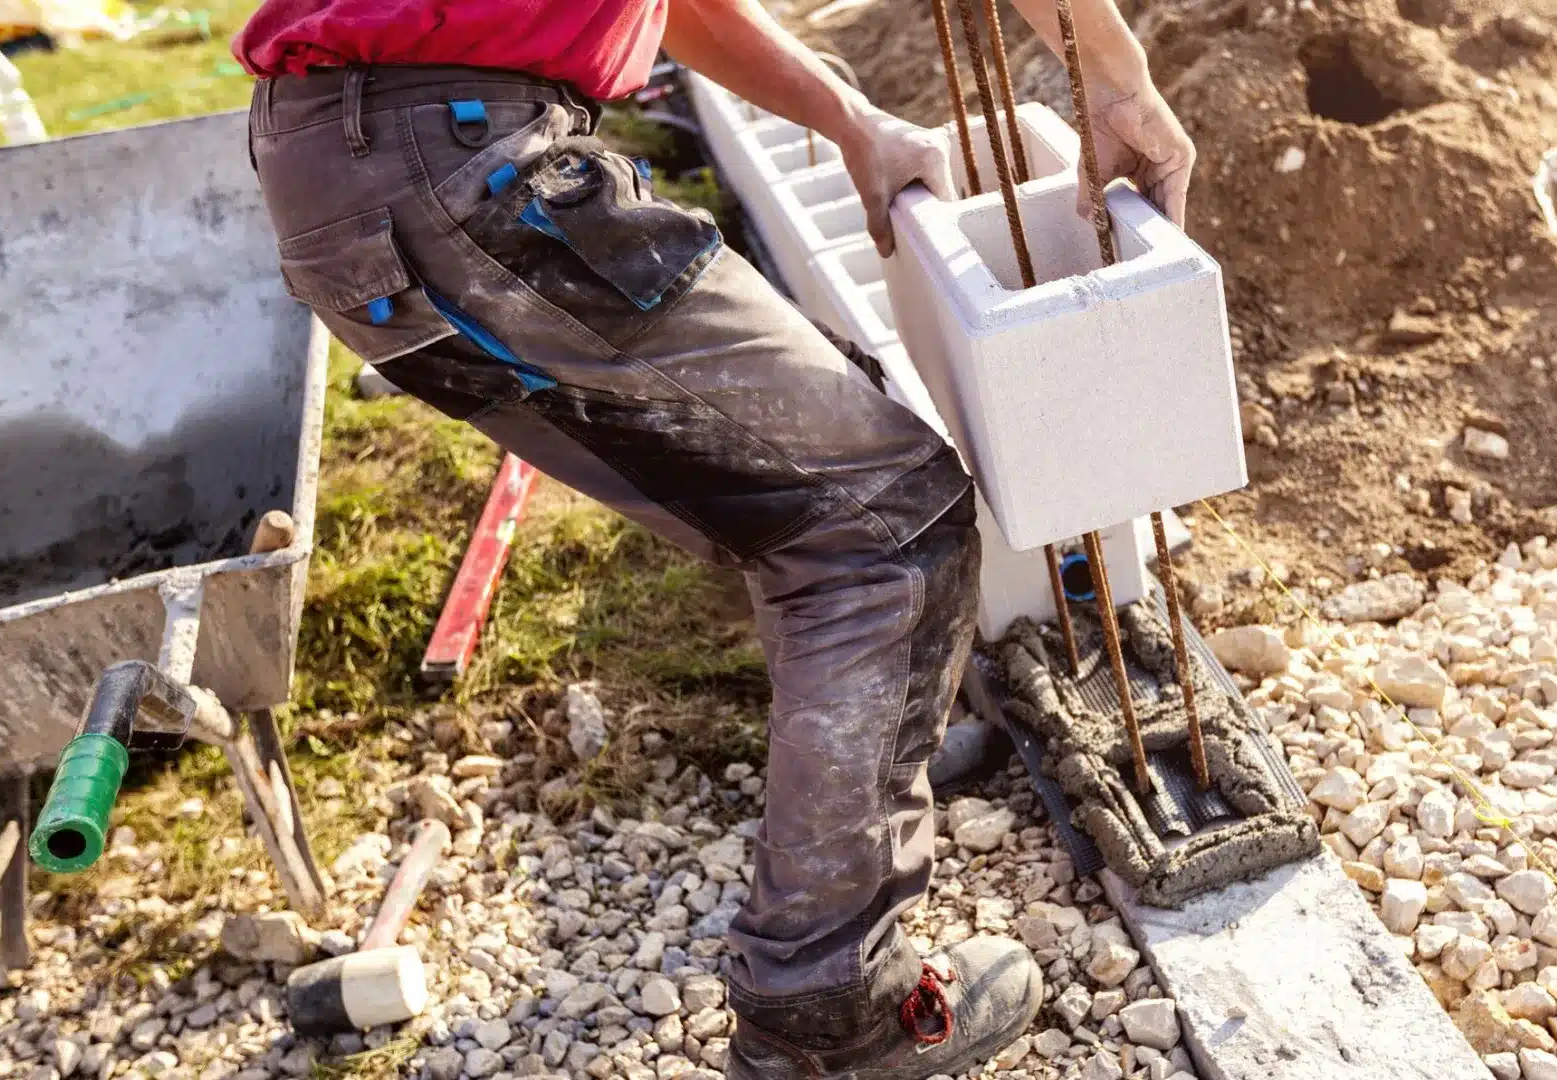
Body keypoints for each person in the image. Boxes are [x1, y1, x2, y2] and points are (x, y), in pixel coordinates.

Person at [233, 0, 1194, 1074]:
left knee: (800, 512)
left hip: (334, 179)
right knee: (881, 523)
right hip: (467, 165)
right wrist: (1115, 76)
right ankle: (829, 1005)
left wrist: (850, 121)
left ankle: (867, 761)